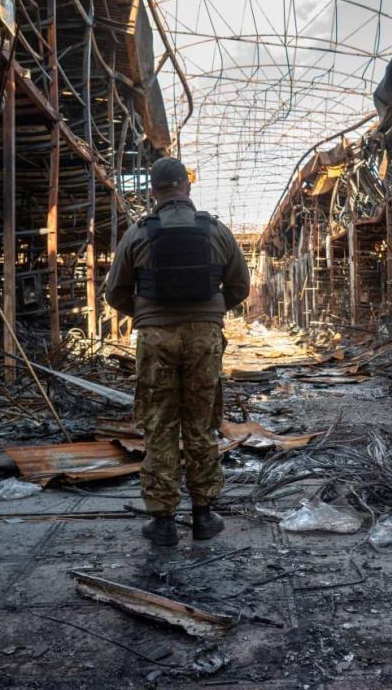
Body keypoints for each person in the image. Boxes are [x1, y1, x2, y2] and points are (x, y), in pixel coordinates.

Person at [105, 157, 250, 546]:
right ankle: (204, 516)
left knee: (160, 424)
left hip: (155, 338)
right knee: (201, 422)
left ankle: (163, 522)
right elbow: (239, 287)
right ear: (187, 187)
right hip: (205, 336)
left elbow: (114, 292)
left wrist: (149, 313)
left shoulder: (137, 234)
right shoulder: (217, 231)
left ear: (152, 191)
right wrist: (207, 311)